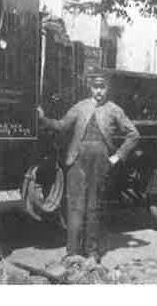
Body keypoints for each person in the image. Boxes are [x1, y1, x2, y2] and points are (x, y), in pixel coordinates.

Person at [37, 72, 141, 262]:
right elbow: (62, 125)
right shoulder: (80, 106)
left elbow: (134, 134)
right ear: (90, 88)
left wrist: (117, 157)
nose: (99, 91)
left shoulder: (114, 109)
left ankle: (92, 252)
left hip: (100, 161)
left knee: (94, 206)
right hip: (77, 159)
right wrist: (43, 119)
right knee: (75, 206)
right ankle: (72, 253)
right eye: (95, 87)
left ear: (107, 89)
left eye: (102, 87)